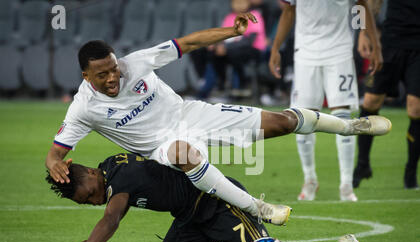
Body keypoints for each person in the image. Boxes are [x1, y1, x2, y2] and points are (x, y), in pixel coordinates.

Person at [46, 12, 391, 228]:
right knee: (184, 154)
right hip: (161, 148)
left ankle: (349, 126)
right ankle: (258, 207)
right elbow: (58, 151)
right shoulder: (83, 108)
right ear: (85, 76)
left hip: (192, 114)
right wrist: (52, 160)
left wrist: (230, 32)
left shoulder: (135, 62)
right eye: (102, 74)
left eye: (114, 68)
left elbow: (188, 43)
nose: (113, 78)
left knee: (283, 122)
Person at [44, 153, 379, 242]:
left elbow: (112, 218)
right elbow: (109, 214)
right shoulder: (111, 171)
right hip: (190, 216)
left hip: (219, 203)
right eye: (87, 202)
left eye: (90, 193)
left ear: (88, 171)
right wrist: (91, 239)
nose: (95, 199)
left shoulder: (120, 179)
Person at [269, 0, 383, 202]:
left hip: (339, 52)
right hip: (305, 54)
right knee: (302, 119)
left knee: (343, 117)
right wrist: (276, 48)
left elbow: (361, 6)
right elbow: (289, 10)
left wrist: (369, 38)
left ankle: (346, 185)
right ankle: (310, 179)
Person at [353, 0, 420, 189]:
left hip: (418, 46)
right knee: (370, 101)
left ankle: (411, 172)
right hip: (390, 42)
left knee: (416, 108)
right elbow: (368, 2)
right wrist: (362, 33)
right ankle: (362, 165)